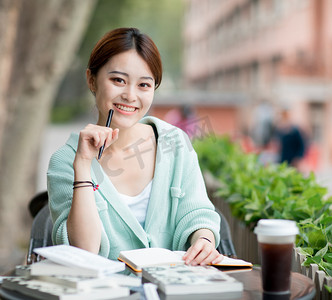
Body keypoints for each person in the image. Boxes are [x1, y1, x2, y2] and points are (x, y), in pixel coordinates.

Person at [47, 28, 223, 266]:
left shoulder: (174, 143)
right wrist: (83, 165)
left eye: (144, 85)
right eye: (118, 80)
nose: (130, 95)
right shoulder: (65, 162)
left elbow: (197, 214)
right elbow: (83, 251)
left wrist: (203, 240)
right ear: (91, 80)